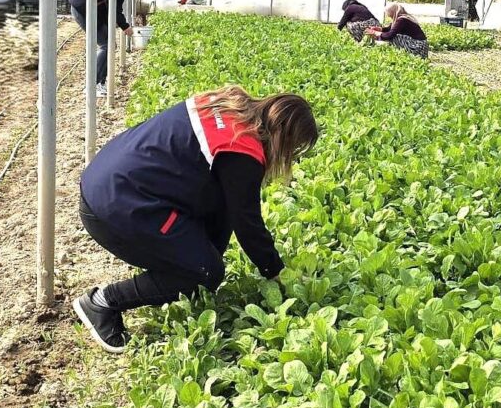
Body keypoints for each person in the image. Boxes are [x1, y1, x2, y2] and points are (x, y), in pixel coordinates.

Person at [74, 85, 319, 353]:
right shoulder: (243, 148)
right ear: (283, 136)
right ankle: (103, 302)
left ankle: (190, 272)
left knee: (205, 260)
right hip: (115, 207)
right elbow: (246, 222)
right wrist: (276, 271)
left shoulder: (228, 103)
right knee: (203, 273)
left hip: (108, 179)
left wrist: (207, 253)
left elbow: (225, 207)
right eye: (293, 150)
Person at [69, 0, 157, 97]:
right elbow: (112, 1)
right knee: (106, 44)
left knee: (109, 44)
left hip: (98, 9)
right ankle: (93, 85)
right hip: (84, 8)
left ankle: (98, 83)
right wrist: (124, 26)